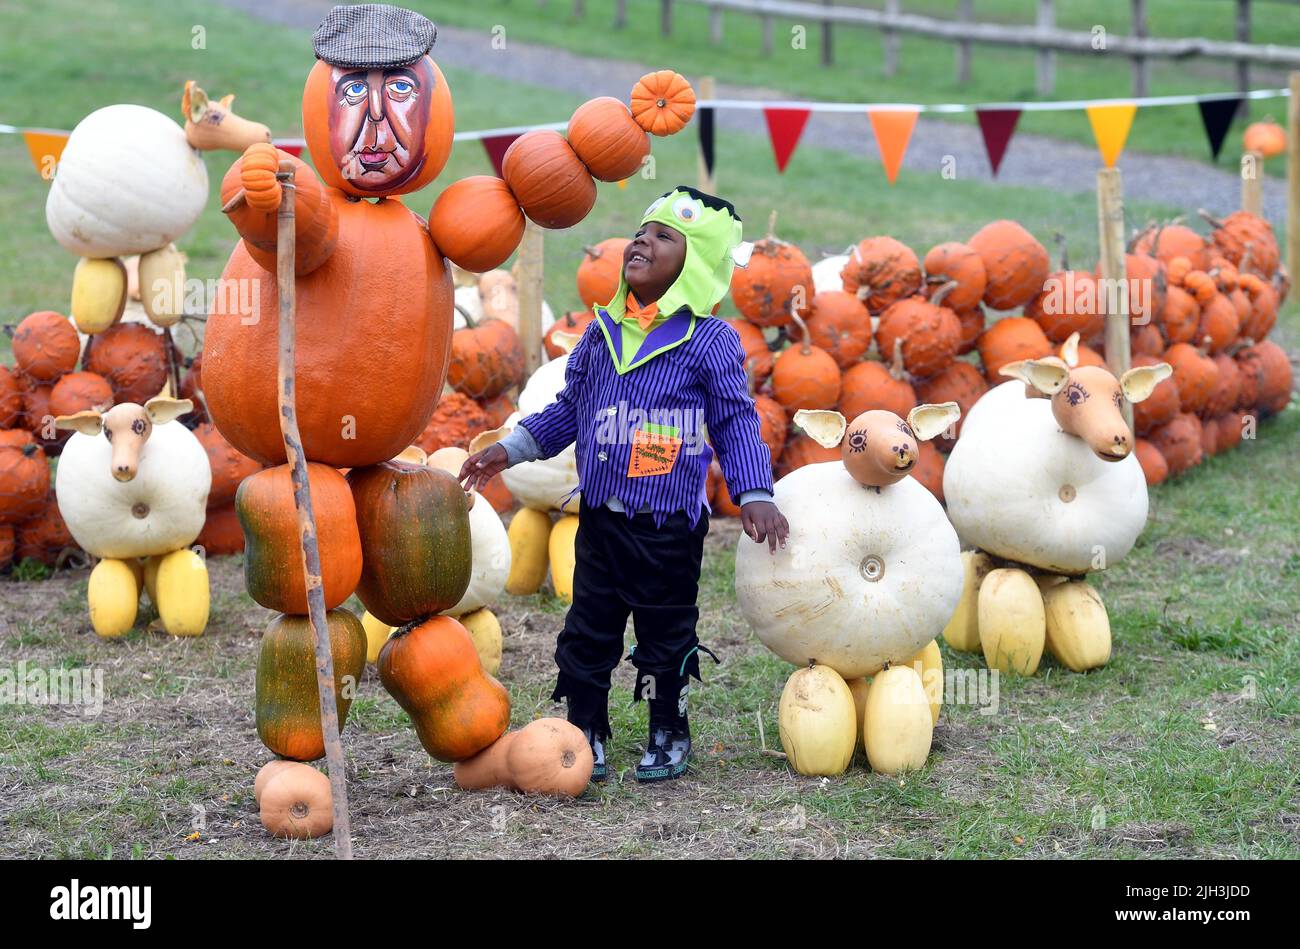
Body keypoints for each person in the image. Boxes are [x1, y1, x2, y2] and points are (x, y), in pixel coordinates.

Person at [460, 186, 788, 783]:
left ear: (695, 265)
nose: (643, 241)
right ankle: (587, 725)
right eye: (642, 231)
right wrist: (509, 449)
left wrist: (755, 492)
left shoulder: (708, 342)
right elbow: (568, 411)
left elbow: (735, 420)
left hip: (667, 529)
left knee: (667, 633)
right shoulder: (599, 334)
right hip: (602, 522)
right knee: (588, 629)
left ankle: (669, 723)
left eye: (665, 237)